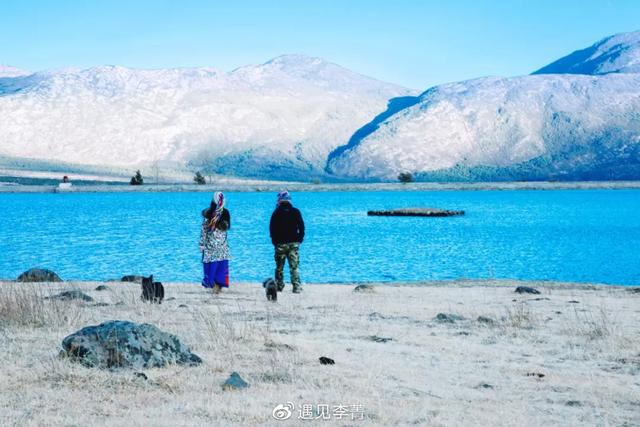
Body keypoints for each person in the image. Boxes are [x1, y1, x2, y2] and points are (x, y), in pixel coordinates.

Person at [269, 190, 305, 293]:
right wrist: (300, 239)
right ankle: (296, 287)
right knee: (294, 266)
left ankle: (279, 286)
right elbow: (301, 227)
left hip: (280, 244)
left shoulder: (276, 212)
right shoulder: (296, 211)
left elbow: (272, 229)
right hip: (294, 243)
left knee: (279, 267)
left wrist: (274, 241)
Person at [200, 192, 231, 294]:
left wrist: (201, 244)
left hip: (210, 245)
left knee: (211, 263)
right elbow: (227, 228)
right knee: (220, 264)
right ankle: (218, 285)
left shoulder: (208, 213)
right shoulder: (225, 213)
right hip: (222, 245)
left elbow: (204, 230)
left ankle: (211, 283)